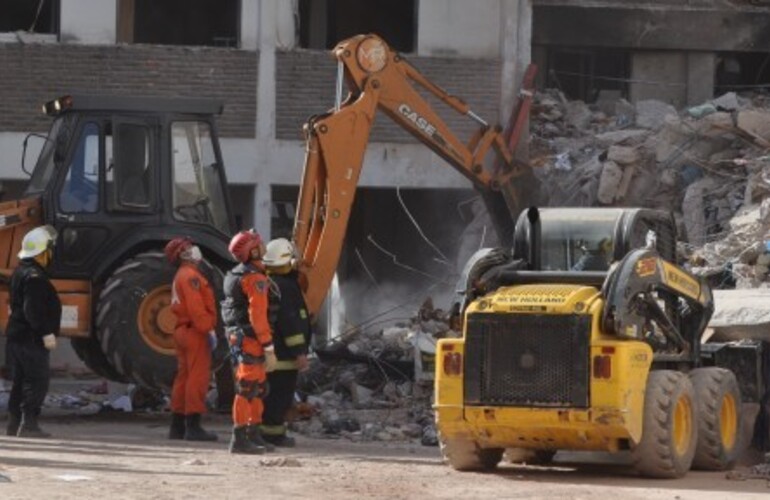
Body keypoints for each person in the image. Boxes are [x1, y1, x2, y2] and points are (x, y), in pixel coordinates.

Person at [221, 230, 277, 454]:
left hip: (242, 336)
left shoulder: (235, 274)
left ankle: (253, 433)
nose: (264, 247)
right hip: (251, 339)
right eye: (259, 244)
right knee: (247, 389)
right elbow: (258, 316)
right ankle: (239, 438)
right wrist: (268, 346)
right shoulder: (255, 278)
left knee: (257, 388)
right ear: (252, 250)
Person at [5, 225, 61, 438]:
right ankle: (29, 425)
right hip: (31, 338)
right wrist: (46, 333)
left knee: (20, 381)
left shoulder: (21, 271)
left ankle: (14, 424)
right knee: (37, 380)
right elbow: (33, 310)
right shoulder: (36, 278)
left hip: (17, 336)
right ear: (42, 252)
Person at [164, 237, 218, 442]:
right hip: (195, 331)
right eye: (189, 248)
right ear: (183, 254)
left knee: (183, 379)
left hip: (183, 330)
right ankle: (193, 427)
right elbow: (196, 308)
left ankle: (177, 426)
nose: (195, 250)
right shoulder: (191, 276)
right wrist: (208, 330)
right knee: (197, 378)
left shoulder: (182, 275)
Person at [262, 238, 312, 447]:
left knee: (271, 395)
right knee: (280, 397)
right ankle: (273, 434)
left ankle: (270, 431)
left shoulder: (270, 283)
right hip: (284, 356)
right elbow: (290, 322)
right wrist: (300, 351)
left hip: (274, 352)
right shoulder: (287, 287)